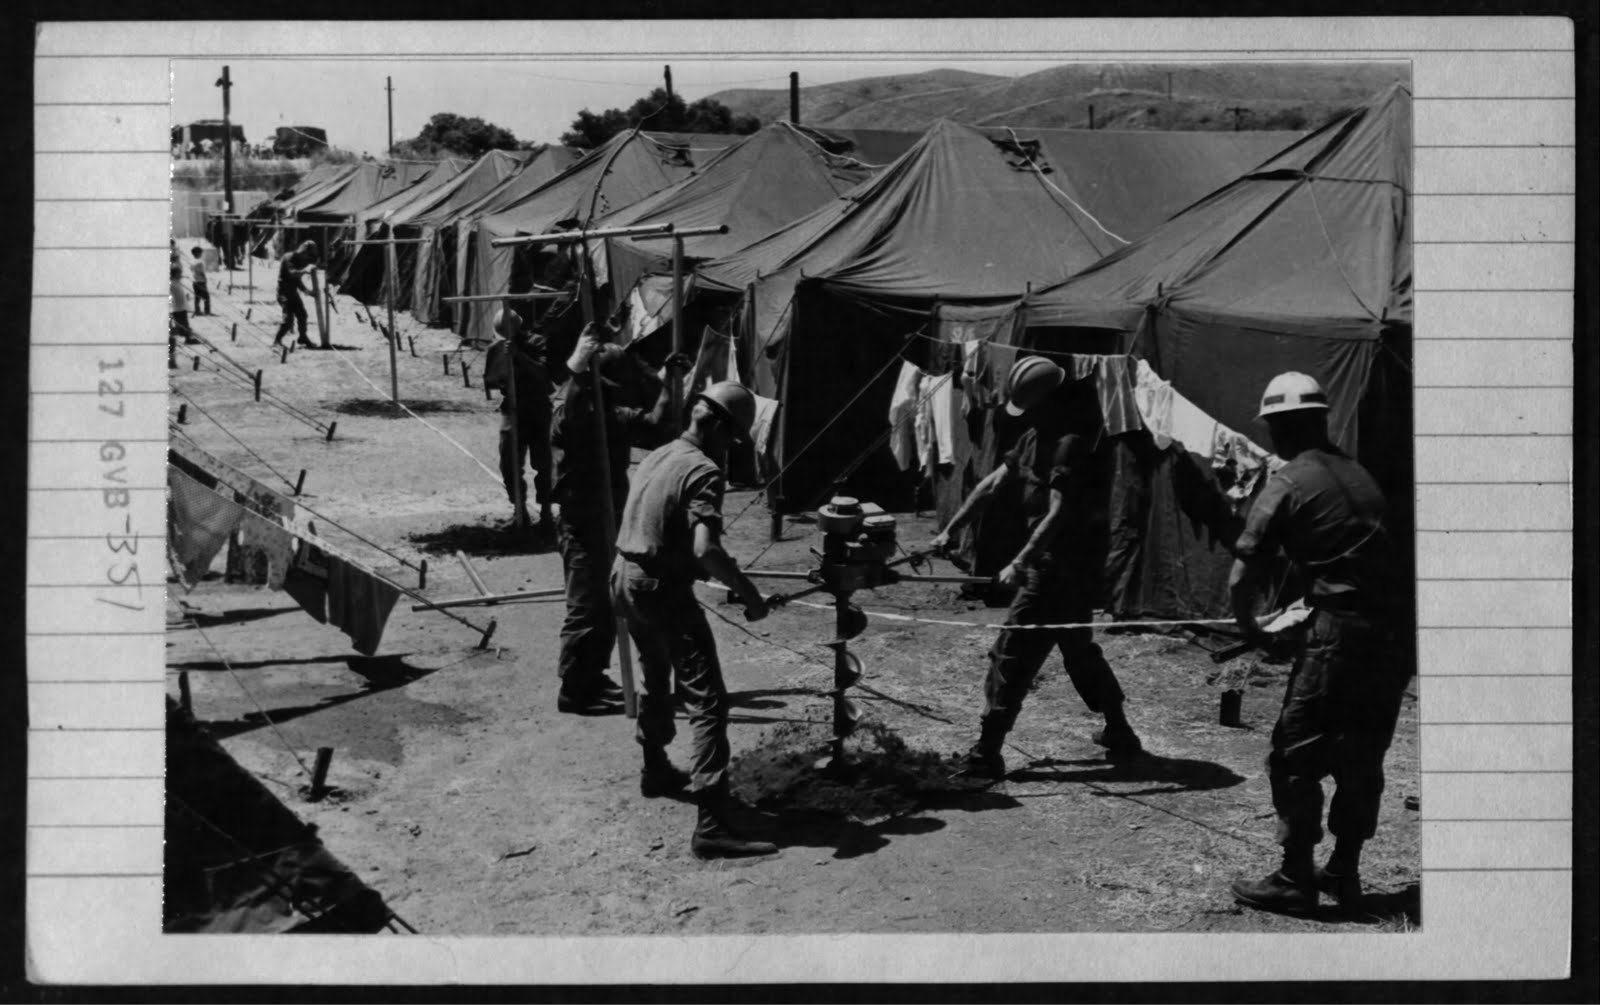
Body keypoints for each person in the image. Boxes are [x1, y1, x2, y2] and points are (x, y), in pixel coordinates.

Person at [1227, 372, 1410, 916]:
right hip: (1394, 636)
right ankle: (1343, 872)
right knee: (1362, 755)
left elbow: (1243, 576)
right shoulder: (1361, 476)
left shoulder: (1287, 481)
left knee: (1296, 754)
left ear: (1281, 427)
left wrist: (1251, 629)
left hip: (1340, 639)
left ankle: (1294, 878)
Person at [930, 355, 1142, 781]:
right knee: (1078, 652)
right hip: (1061, 569)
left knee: (1011, 653)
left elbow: (1058, 513)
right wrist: (951, 530)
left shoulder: (1069, 444)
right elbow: (993, 483)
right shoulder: (1032, 436)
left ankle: (985, 755)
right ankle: (1120, 732)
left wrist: (1019, 562)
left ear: (1049, 403)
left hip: (1060, 568)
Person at [610, 381, 779, 860]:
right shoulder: (704, 471)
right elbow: (707, 550)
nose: (730, 450)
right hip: (660, 588)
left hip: (624, 579)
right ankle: (711, 822)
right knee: (707, 699)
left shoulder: (659, 453)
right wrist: (750, 595)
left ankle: (655, 768)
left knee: (655, 675)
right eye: (733, 439)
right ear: (721, 428)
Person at [548, 324, 692, 716]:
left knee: (609, 603)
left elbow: (656, 427)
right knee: (586, 605)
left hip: (611, 518)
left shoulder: (609, 413)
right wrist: (578, 369)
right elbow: (568, 417)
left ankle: (592, 676)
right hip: (582, 522)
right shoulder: (571, 407)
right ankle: (574, 690)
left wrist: (669, 383)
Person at [484, 308, 556, 540]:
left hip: (537, 409)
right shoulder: (496, 347)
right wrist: (502, 365)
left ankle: (546, 513)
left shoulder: (537, 342)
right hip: (512, 410)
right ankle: (519, 510)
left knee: (543, 463)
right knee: (509, 461)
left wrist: (519, 356)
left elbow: (545, 376)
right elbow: (491, 381)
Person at [272, 240, 317, 349]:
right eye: (307, 254)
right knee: (288, 320)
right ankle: (276, 341)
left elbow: (297, 280)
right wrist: (305, 270)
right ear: (303, 251)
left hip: (293, 293)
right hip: (283, 293)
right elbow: (292, 273)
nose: (307, 257)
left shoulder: (300, 260)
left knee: (302, 315)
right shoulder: (289, 258)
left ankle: (302, 337)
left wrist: (307, 291)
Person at [169, 264, 199, 346]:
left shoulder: (177, 282)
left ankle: (187, 337)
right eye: (179, 273)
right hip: (176, 308)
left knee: (184, 323)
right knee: (182, 324)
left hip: (181, 306)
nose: (180, 275)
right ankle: (187, 338)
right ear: (174, 274)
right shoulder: (171, 283)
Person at [189, 247, 211, 316]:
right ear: (197, 253)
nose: (201, 254)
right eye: (201, 253)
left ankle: (197, 310)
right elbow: (202, 272)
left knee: (197, 297)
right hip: (201, 281)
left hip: (195, 281)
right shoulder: (200, 262)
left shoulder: (191, 261)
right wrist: (205, 278)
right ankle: (207, 311)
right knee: (206, 297)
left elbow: (191, 270)